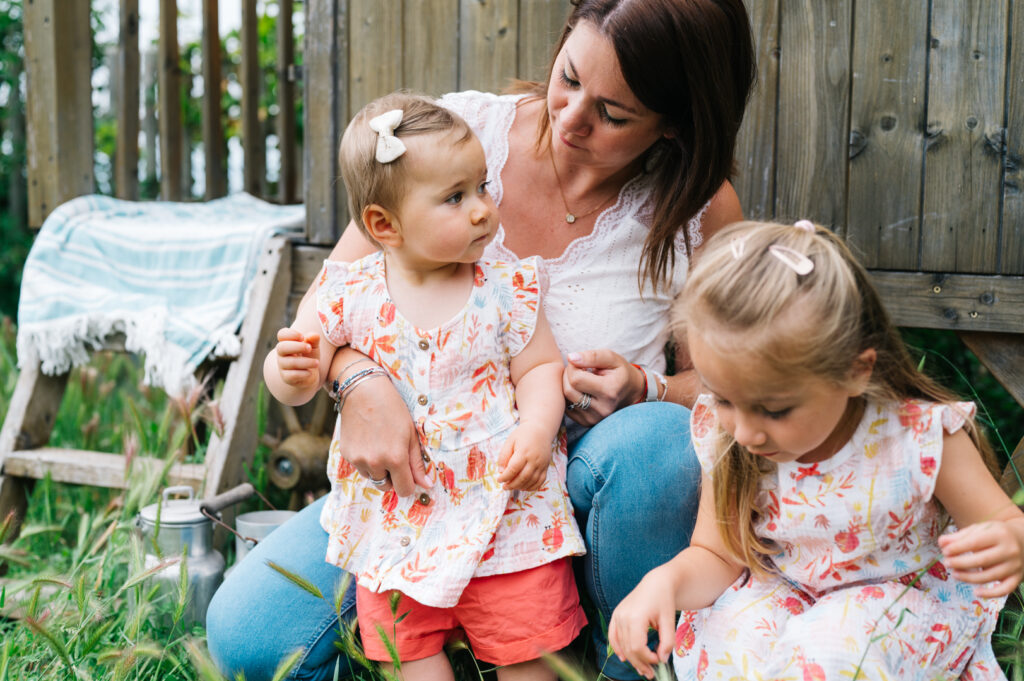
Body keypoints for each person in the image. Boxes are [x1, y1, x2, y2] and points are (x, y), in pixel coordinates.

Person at [206, 1, 756, 679]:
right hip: (424, 484)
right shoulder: (459, 138)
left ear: (673, 125)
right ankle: (445, 626)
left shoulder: (699, 210)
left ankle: (615, 653)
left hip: (570, 484)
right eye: (569, 77)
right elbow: (332, 303)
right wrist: (358, 380)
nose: (572, 116)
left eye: (614, 114)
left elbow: (734, 390)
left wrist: (651, 387)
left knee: (659, 446)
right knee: (249, 638)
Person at [608, 220, 1024, 681]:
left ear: (856, 371)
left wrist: (1011, 541)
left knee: (828, 651)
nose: (746, 432)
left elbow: (1004, 522)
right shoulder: (731, 437)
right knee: (733, 638)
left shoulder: (917, 439)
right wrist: (664, 581)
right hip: (791, 592)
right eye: (724, 399)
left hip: (900, 604)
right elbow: (718, 554)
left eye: (776, 410)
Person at [264, 92, 587, 680]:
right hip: (398, 519)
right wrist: (288, 374)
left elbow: (540, 369)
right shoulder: (349, 292)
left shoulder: (505, 286)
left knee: (527, 645)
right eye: (455, 198)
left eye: (483, 188)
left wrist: (539, 431)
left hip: (501, 505)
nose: (483, 210)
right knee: (410, 650)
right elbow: (299, 372)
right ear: (384, 225)